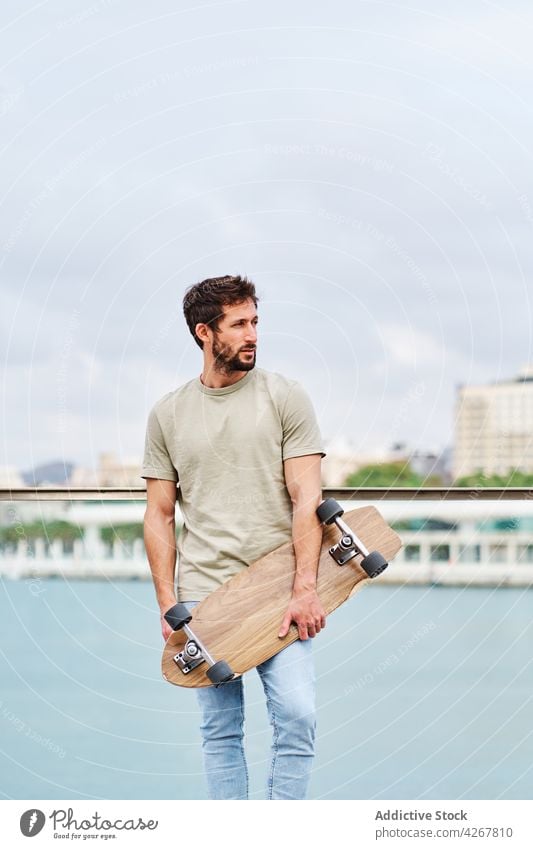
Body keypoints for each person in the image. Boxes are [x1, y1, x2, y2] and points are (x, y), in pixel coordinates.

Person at [142, 275, 326, 800]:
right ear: (205, 332)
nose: (253, 335)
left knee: (297, 715)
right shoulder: (168, 413)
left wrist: (305, 587)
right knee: (220, 731)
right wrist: (167, 604)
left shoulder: (285, 397)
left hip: (278, 588)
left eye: (255, 322)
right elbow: (158, 514)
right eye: (239, 324)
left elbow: (305, 498)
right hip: (203, 594)